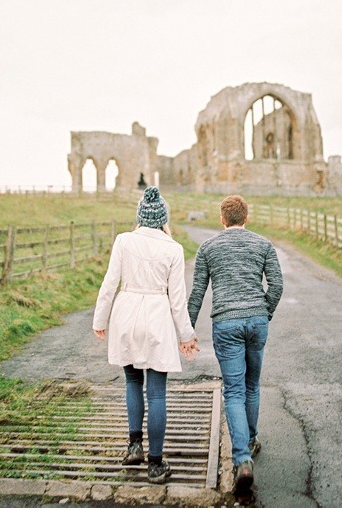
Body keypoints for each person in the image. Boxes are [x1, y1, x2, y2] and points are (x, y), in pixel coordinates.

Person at [92, 186, 198, 484]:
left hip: (126, 315)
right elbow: (177, 299)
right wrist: (186, 335)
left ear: (140, 216)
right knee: (157, 392)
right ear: (164, 218)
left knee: (132, 381)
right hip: (157, 316)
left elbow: (110, 282)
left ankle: (134, 445)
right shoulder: (173, 248)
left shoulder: (124, 241)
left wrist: (100, 319)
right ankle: (155, 464)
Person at [187, 195, 284, 497]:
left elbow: (198, 293)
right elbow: (277, 285)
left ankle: (242, 459)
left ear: (222, 219)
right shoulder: (263, 244)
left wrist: (187, 329)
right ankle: (251, 440)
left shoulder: (208, 248)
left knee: (234, 390)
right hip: (257, 321)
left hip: (226, 323)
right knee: (252, 385)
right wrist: (264, 311)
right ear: (246, 218)